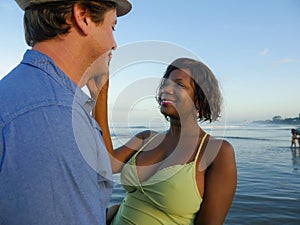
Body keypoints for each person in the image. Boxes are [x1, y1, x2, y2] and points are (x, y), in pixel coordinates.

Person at [0, 0, 131, 224]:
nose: (114, 44)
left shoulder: (23, 91)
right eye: (112, 27)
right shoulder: (55, 118)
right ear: (83, 17)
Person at [95, 58, 237, 224]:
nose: (166, 90)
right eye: (165, 83)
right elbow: (104, 165)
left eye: (179, 85)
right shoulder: (146, 139)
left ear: (199, 98)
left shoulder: (217, 152)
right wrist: (101, 92)